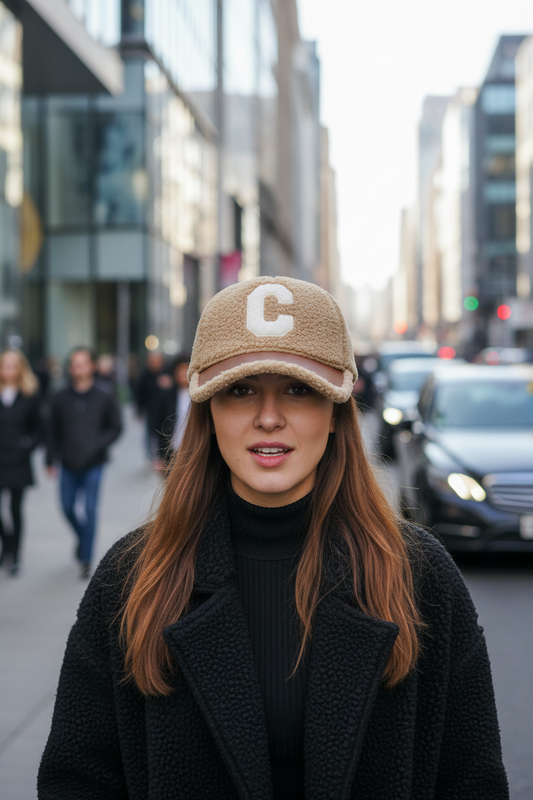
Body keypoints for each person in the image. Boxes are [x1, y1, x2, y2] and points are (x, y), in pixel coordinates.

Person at [38, 278, 508, 799]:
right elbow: (77, 779)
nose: (268, 418)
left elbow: (473, 780)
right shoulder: (130, 577)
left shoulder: (423, 576)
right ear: (208, 410)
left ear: (336, 414)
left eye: (298, 390)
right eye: (240, 391)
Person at [46, 347, 122, 579]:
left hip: (94, 463)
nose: (78, 367)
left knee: (89, 510)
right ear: (70, 368)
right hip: (68, 463)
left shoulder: (105, 394)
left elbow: (116, 426)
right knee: (67, 508)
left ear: (91, 366)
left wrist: (98, 444)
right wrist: (50, 459)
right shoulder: (60, 397)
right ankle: (82, 539)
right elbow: (52, 430)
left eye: (83, 363)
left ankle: (86, 559)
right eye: (74, 363)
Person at [0, 349, 41, 575]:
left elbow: (39, 429)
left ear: (20, 369)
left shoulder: (29, 394)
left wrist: (27, 445)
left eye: (12, 365)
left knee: (16, 509)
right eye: (4, 365)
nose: (8, 370)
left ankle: (15, 556)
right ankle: (6, 544)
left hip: (18, 461)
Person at [153, 352, 191, 468]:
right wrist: (160, 455)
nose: (184, 374)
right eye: (181, 370)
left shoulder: (202, 396)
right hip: (173, 449)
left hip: (194, 449)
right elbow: (159, 424)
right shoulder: (167, 396)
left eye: (187, 370)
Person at [135, 350, 167, 464]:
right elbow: (139, 394)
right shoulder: (144, 376)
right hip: (150, 410)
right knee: (149, 434)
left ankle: (162, 455)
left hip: (165, 411)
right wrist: (139, 411)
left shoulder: (166, 374)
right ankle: (151, 457)